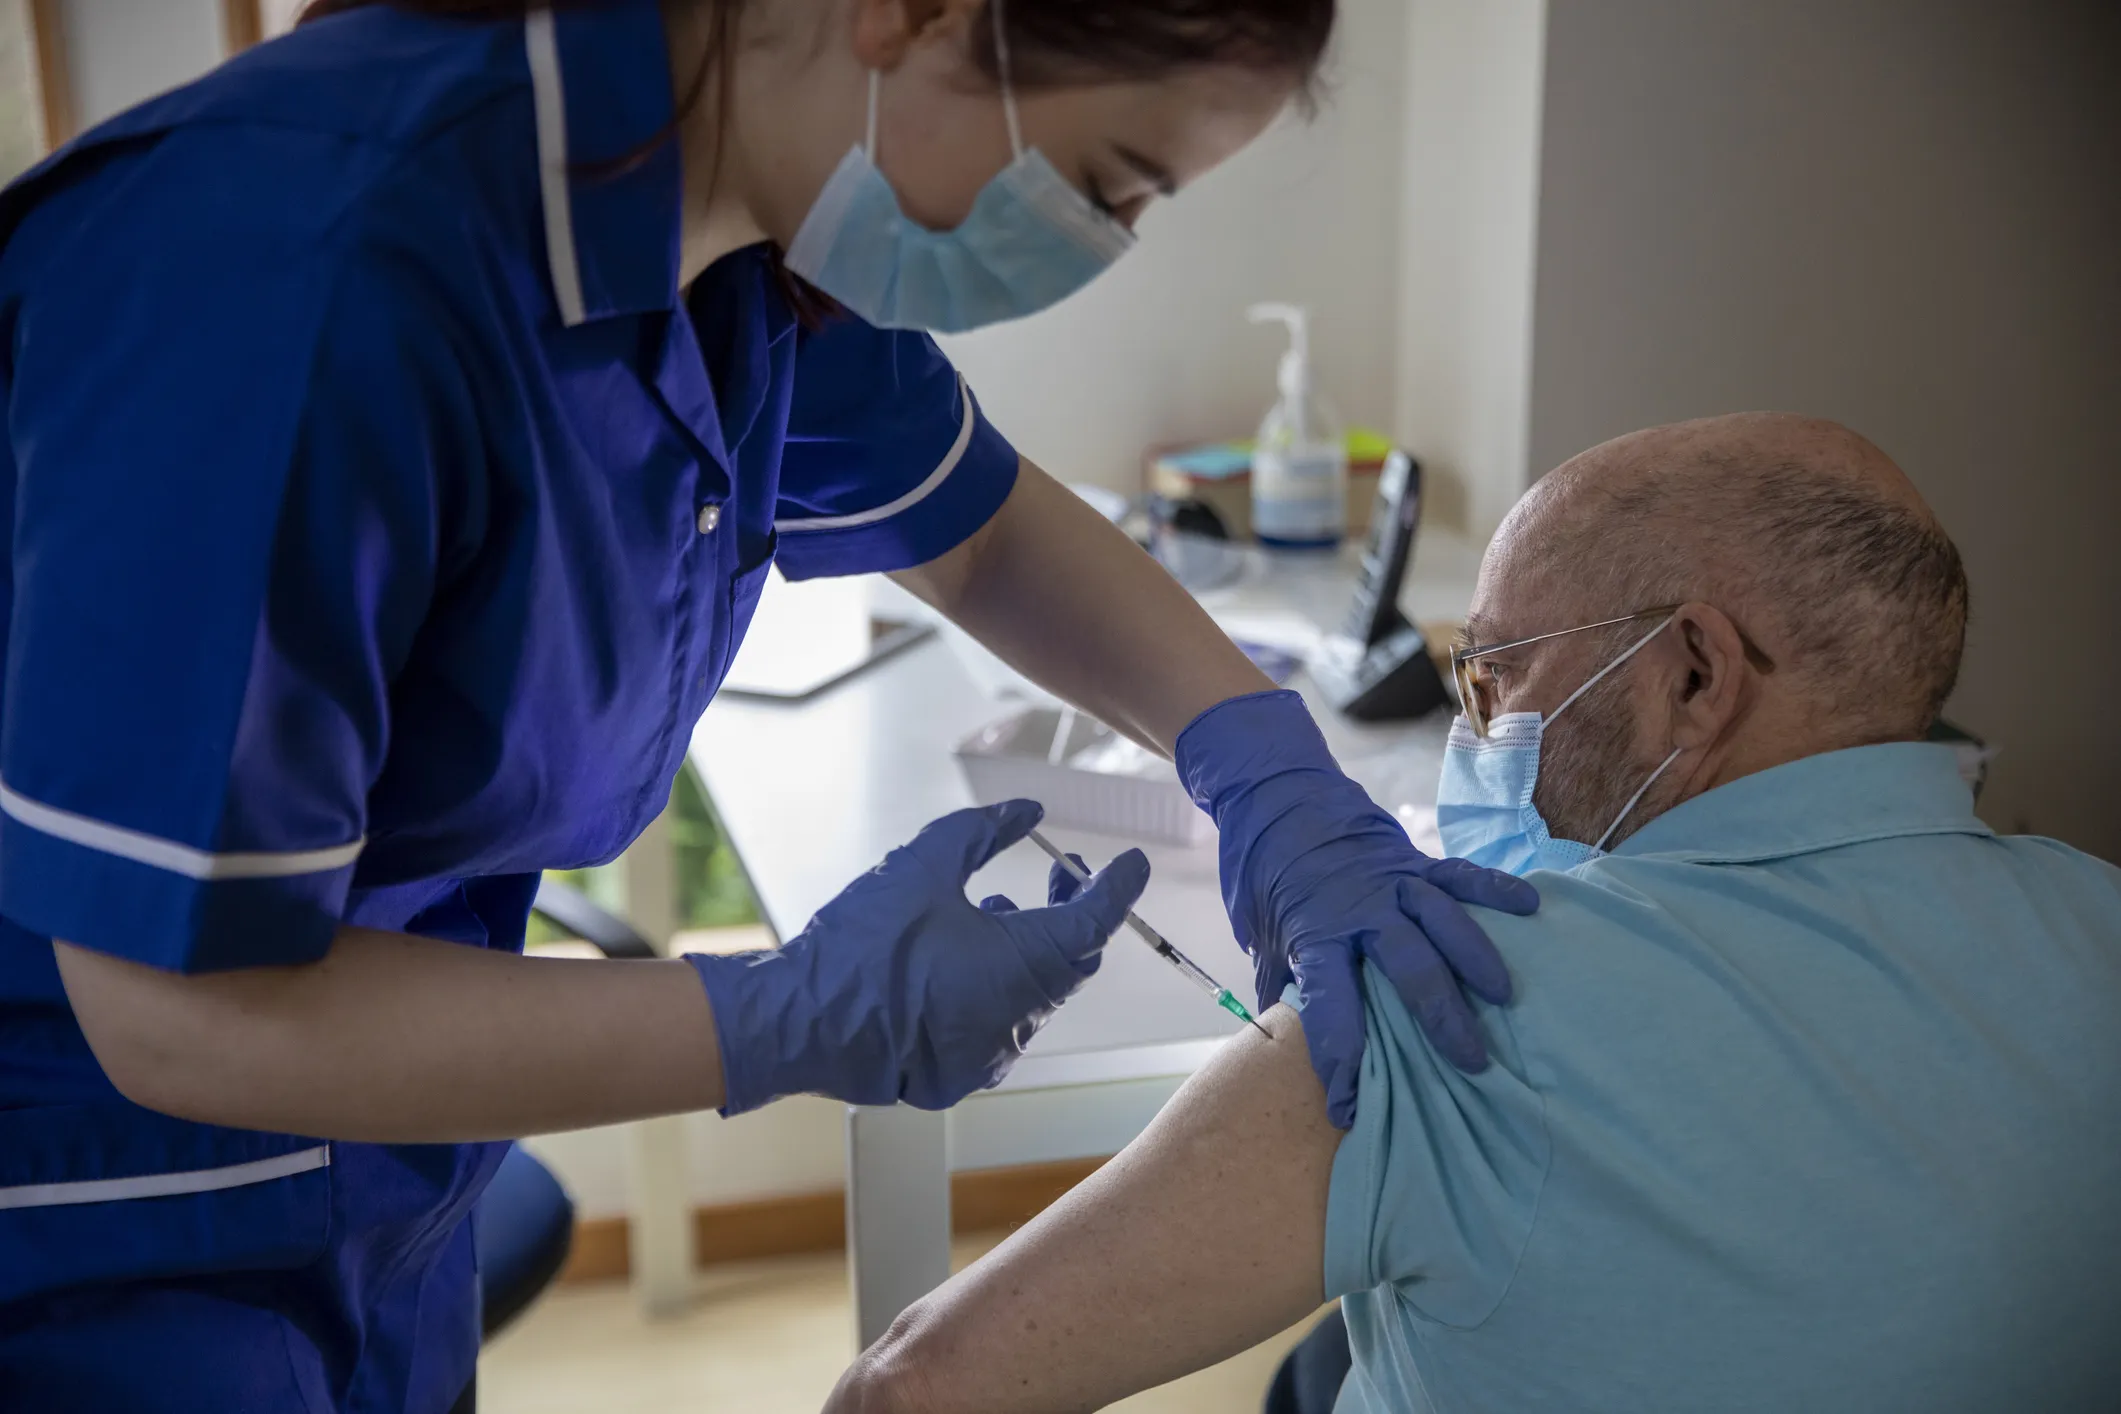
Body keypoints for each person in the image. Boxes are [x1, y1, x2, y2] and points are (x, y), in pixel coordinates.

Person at [0, 0, 1545, 1408]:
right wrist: (783, 1014)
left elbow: (986, 529)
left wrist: (1263, 759)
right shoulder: (301, 265)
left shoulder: (739, 242)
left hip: (367, 1202)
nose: (1102, 244)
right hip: (88, 1239)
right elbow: (180, 1010)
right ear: (912, 15)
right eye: (1113, 182)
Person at [823, 413, 2121, 1414]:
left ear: (1691, 674)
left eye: (1496, 675)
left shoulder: (1451, 991)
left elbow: (915, 1390)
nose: (1477, 732)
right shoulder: (2097, 922)